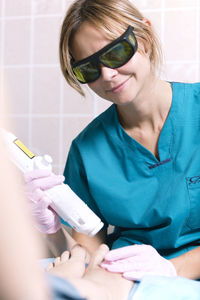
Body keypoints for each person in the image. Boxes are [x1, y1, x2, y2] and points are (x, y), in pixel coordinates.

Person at [24, 0, 200, 282]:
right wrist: (51, 230)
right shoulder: (87, 150)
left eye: (115, 52)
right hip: (127, 283)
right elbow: (86, 257)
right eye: (89, 69)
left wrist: (173, 269)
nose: (107, 75)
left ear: (145, 38)